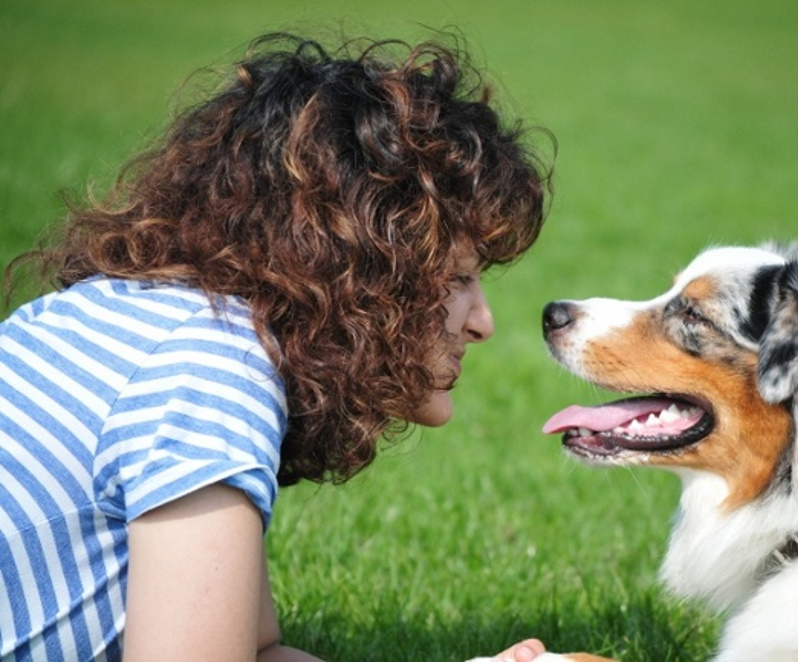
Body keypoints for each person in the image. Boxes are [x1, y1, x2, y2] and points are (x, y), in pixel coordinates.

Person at [0, 32, 554, 661]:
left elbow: (258, 652)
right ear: (361, 270)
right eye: (456, 279)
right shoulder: (211, 377)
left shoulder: (150, 316)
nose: (482, 321)